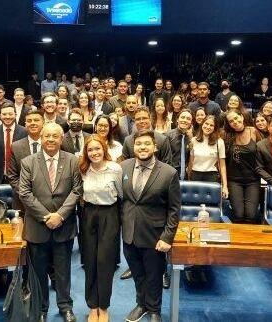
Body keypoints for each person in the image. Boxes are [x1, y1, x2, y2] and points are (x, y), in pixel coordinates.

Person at [18, 123, 81, 322]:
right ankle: (41, 308)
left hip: (64, 225)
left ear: (61, 139)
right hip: (38, 227)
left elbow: (77, 190)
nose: (51, 140)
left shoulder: (72, 160)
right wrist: (46, 216)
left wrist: (60, 215)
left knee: (63, 271)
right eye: (47, 136)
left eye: (55, 136)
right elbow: (24, 193)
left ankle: (65, 306)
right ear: (41, 138)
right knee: (38, 272)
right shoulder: (28, 162)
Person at [121, 130, 180, 322]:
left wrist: (167, 237)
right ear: (133, 146)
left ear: (155, 147)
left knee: (154, 275)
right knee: (138, 274)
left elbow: (174, 209)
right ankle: (142, 304)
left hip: (155, 235)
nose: (142, 147)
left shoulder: (169, 173)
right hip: (129, 232)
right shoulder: (123, 167)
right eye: (138, 144)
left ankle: (154, 309)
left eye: (147, 144)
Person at [79, 135, 122, 322]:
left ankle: (103, 306)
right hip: (88, 214)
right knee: (89, 261)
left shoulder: (115, 169)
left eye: (98, 149)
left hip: (109, 214)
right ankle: (92, 305)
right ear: (86, 153)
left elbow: (121, 194)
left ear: (104, 149)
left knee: (104, 261)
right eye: (90, 150)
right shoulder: (82, 169)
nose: (94, 153)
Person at [223, 109, 261, 223]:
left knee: (251, 215)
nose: (234, 122)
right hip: (234, 180)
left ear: (242, 117)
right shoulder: (227, 135)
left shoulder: (253, 131)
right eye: (231, 121)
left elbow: (264, 153)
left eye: (236, 118)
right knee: (238, 215)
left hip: (253, 180)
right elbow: (222, 160)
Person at [7, 110, 44, 216]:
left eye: (36, 120)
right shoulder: (16, 146)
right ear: (25, 124)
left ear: (43, 123)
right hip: (23, 203)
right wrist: (28, 195)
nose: (33, 123)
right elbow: (13, 177)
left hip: (49, 202)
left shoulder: (52, 144)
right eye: (29, 121)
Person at [0, 104, 26, 185]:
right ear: (0, 115)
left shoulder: (24, 132)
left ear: (15, 115)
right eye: (4, 114)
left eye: (10, 114)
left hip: (20, 180)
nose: (7, 117)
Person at [188, 115, 228, 189]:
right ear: (202, 124)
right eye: (206, 124)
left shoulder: (219, 142)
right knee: (195, 200)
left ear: (215, 128)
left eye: (211, 125)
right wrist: (189, 177)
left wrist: (225, 186)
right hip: (195, 175)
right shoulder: (193, 140)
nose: (208, 127)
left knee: (210, 201)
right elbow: (191, 162)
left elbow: (222, 166)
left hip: (211, 176)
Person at [166, 109, 194, 179]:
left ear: (191, 122)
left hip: (185, 176)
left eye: (188, 119)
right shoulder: (168, 136)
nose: (184, 120)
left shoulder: (191, 138)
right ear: (178, 119)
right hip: (170, 175)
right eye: (182, 117)